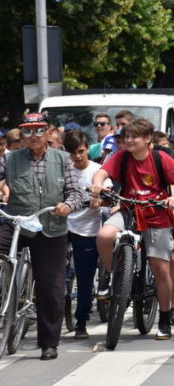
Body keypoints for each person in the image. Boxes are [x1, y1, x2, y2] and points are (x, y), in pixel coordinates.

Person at [91, 118, 174, 341]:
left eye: (134, 136)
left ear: (147, 139)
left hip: (157, 214)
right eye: (126, 136)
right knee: (104, 235)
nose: (128, 140)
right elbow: (102, 172)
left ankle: (164, 320)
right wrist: (98, 184)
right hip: (128, 210)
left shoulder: (160, 158)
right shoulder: (121, 157)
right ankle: (112, 275)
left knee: (161, 269)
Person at [0, 113, 86, 360]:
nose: (33, 136)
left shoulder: (62, 160)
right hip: (18, 223)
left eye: (39, 131)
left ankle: (49, 342)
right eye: (28, 131)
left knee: (51, 287)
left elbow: (75, 193)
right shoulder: (10, 159)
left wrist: (67, 206)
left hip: (50, 226)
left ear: (49, 133)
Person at [63, 130, 110, 339]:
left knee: (84, 279)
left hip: (88, 230)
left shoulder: (98, 171)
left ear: (87, 149)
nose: (77, 157)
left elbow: (110, 196)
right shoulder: (63, 169)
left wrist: (101, 199)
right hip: (62, 227)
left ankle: (81, 322)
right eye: (72, 153)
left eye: (81, 151)